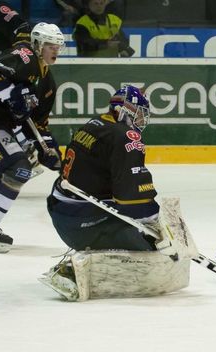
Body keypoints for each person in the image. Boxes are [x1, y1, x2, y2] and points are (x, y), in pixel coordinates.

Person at [40, 85, 192, 301]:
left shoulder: (94, 124)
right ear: (125, 109)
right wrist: (160, 226)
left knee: (141, 233)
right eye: (140, 113)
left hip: (63, 213)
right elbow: (133, 196)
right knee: (152, 250)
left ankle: (82, 259)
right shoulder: (126, 136)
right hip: (84, 223)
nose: (142, 120)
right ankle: (72, 271)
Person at [0, 22, 64, 253]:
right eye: (51, 46)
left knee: (20, 169)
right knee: (16, 166)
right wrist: (11, 94)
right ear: (39, 44)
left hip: (1, 126)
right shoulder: (24, 54)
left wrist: (49, 152)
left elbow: (38, 124)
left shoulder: (48, 83)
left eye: (59, 46)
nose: (56, 51)